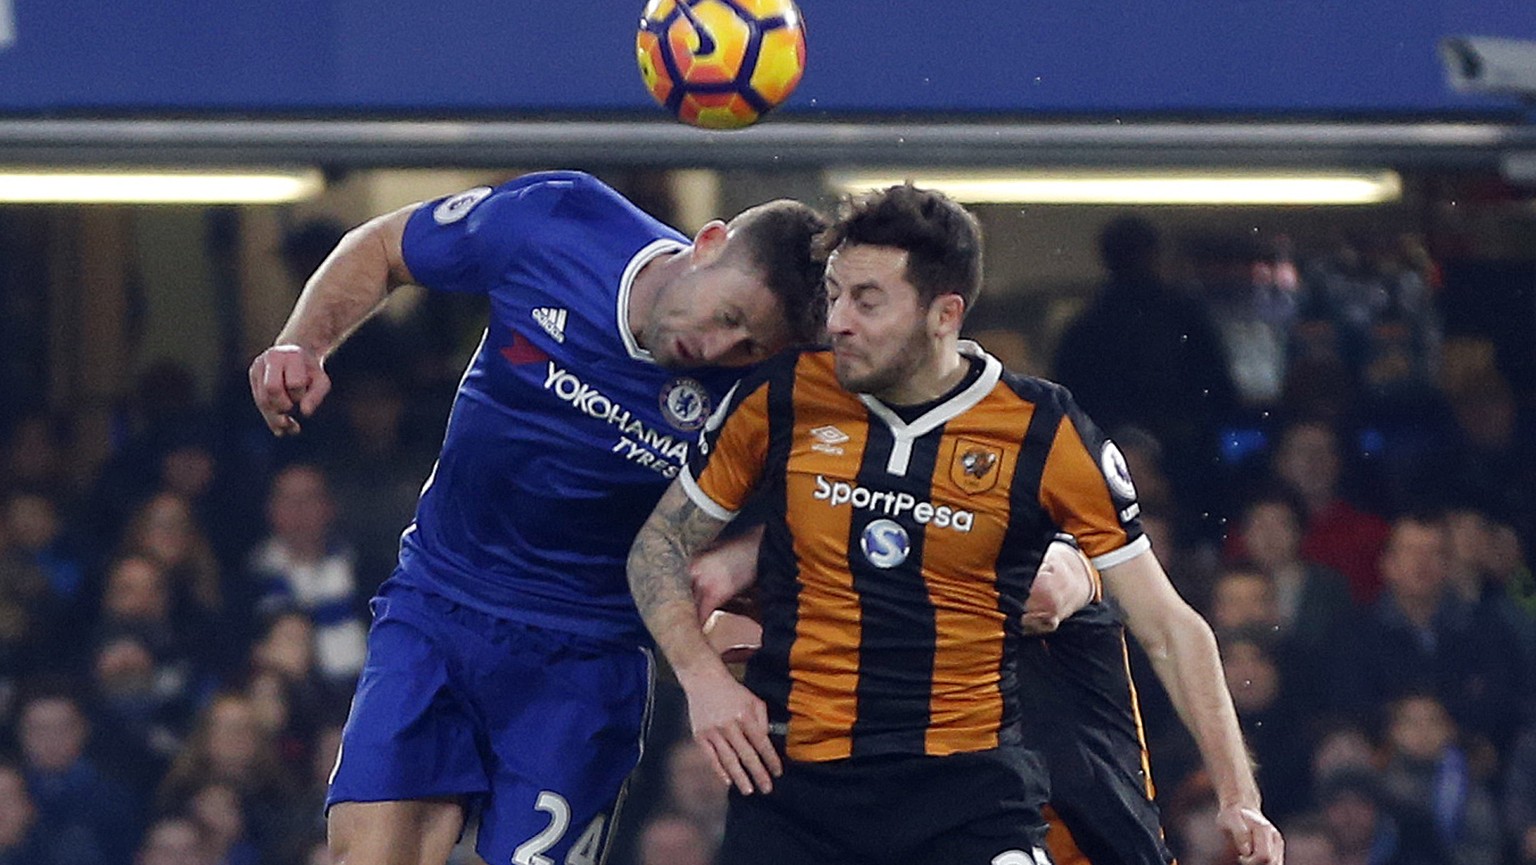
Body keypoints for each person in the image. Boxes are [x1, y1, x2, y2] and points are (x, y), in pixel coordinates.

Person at [626, 184, 1282, 865]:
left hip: (966, 796)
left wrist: (1240, 795)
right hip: (795, 793)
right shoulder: (785, 394)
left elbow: (1172, 627)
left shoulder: (1042, 430)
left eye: (868, 300)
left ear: (945, 314)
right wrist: (703, 679)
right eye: (835, 293)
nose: (840, 320)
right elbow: (659, 544)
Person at [247, 170, 828, 865]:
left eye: (751, 347)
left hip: (588, 659)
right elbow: (383, 247)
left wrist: (739, 560)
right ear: (707, 244)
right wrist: (304, 343)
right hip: (441, 604)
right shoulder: (559, 219)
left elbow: (833, 491)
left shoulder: (772, 387)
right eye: (730, 317)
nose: (719, 350)